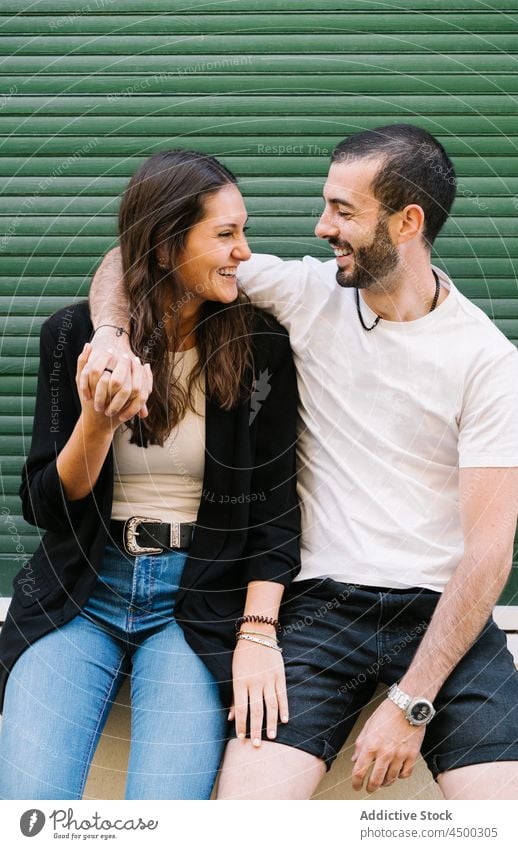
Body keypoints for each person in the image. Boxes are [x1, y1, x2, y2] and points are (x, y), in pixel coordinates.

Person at [84, 124, 518, 801]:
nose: (321, 227)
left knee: (503, 819)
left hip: (444, 613)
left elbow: (489, 556)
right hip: (320, 610)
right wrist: (110, 335)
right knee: (244, 824)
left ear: (408, 222)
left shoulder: (487, 361)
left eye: (344, 211)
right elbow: (133, 253)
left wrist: (412, 703)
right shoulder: (308, 293)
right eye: (325, 204)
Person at [0, 150, 300, 800]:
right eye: (225, 234)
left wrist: (257, 633)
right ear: (166, 248)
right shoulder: (75, 335)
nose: (244, 251)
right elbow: (46, 504)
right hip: (83, 595)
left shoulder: (261, 347)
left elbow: (276, 518)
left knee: (165, 820)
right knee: (28, 808)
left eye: (242, 230)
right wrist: (98, 422)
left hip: (195, 606)